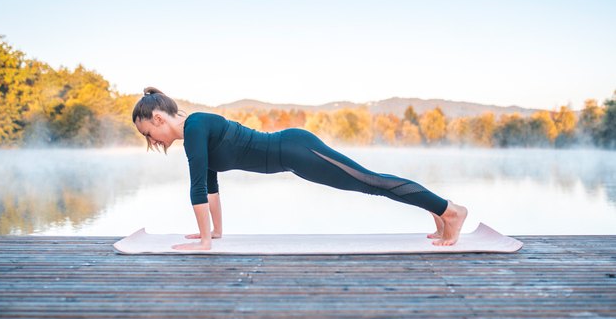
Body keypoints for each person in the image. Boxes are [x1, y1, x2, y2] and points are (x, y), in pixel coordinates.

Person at [132, 87, 468, 251]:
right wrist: (214, 234)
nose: (153, 141)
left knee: (368, 182)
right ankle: (439, 212)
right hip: (293, 156)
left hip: (295, 149)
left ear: (158, 118)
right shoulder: (196, 131)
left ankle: (449, 210)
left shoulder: (195, 128)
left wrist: (204, 243)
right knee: (369, 182)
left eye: (149, 133)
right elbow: (210, 185)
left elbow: (196, 189)